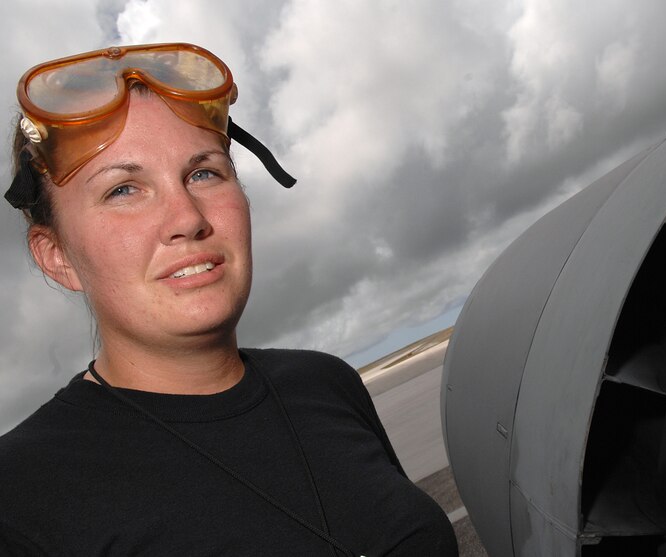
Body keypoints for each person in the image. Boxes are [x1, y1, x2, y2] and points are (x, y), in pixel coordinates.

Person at [0, 43, 458, 556]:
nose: (188, 218)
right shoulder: (18, 502)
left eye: (204, 173)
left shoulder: (326, 383)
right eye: (124, 190)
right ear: (57, 255)